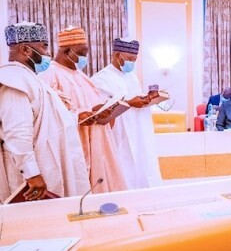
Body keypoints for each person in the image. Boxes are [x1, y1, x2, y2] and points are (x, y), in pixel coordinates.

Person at [0, 22, 90, 201]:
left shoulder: (30, 78)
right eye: (43, 47)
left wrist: (75, 115)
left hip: (49, 163)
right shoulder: (14, 80)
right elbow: (17, 133)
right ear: (25, 49)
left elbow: (49, 117)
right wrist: (32, 174)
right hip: (34, 175)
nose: (47, 53)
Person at [39, 27, 128, 194]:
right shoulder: (50, 74)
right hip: (76, 143)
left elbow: (92, 103)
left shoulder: (81, 75)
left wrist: (104, 107)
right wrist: (79, 115)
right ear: (67, 51)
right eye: (81, 53)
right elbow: (48, 114)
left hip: (98, 139)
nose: (84, 58)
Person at [91, 39, 163, 189]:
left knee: (140, 164)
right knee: (123, 168)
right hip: (119, 133)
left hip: (137, 131)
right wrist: (130, 103)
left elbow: (135, 97)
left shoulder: (131, 76)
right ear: (117, 55)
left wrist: (147, 98)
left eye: (134, 60)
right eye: (129, 59)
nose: (132, 63)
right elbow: (102, 109)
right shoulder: (101, 78)